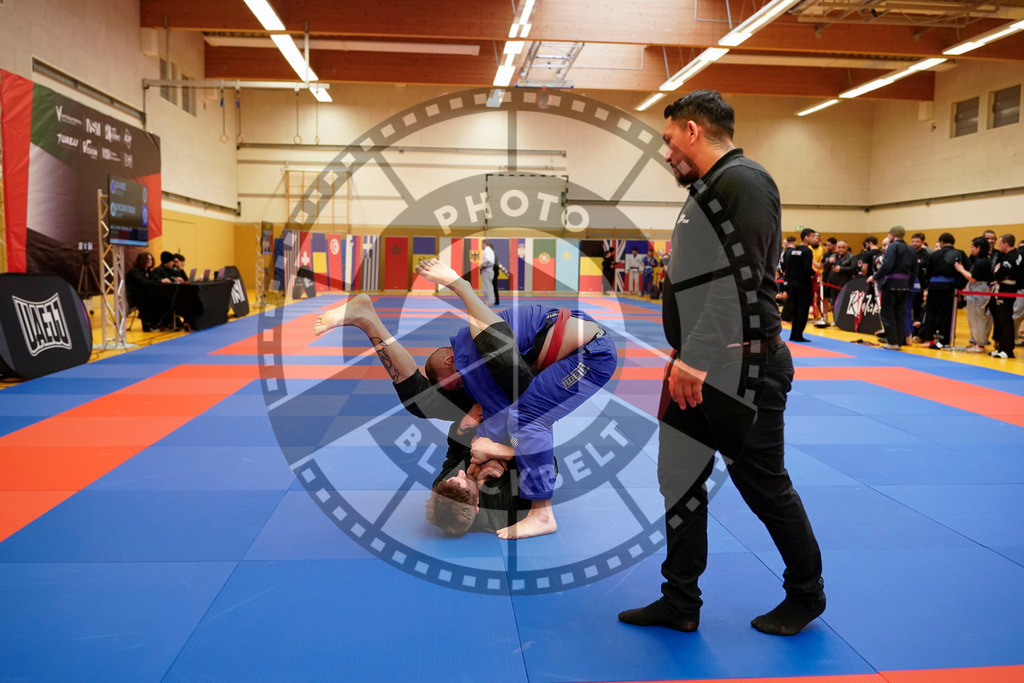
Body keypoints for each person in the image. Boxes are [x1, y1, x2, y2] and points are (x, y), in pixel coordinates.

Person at [618, 90, 824, 636]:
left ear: (692, 130)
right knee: (678, 478)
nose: (666, 154)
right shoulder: (706, 190)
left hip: (740, 368)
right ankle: (680, 599)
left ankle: (807, 594)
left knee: (763, 485)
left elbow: (741, 280)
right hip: (697, 366)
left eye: (668, 141)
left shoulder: (745, 182)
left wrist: (698, 357)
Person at [410, 258, 617, 538]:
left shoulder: (469, 360)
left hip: (591, 354)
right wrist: (493, 452)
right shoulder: (467, 351)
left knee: (528, 418)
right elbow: (501, 421)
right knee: (524, 416)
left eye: (449, 385)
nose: (455, 389)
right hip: (579, 340)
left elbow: (504, 417)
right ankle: (460, 286)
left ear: (449, 360)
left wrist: (485, 449)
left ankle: (542, 516)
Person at [310, 293, 535, 535]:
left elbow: (454, 447)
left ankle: (368, 320)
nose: (460, 472)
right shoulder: (505, 508)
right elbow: (545, 458)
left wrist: (464, 424)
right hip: (520, 406)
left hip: (479, 415)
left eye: (452, 478)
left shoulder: (445, 487)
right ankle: (465, 292)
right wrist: (505, 453)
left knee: (418, 402)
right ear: (478, 504)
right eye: (462, 479)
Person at [867, 226, 917, 349]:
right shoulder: (911, 249)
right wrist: (908, 284)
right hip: (904, 284)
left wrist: (875, 276)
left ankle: (892, 342)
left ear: (892, 235)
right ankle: (899, 341)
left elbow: (888, 264)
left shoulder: (893, 246)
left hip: (891, 283)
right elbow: (915, 270)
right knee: (899, 313)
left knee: (888, 312)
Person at [917, 233, 966, 349]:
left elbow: (928, 273)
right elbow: (966, 271)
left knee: (931, 313)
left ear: (942, 242)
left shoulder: (935, 254)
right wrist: (958, 287)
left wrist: (926, 287)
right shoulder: (960, 254)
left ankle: (928, 340)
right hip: (950, 287)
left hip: (934, 286)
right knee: (946, 313)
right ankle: (944, 341)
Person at [954, 236, 994, 353]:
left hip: (979, 292)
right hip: (975, 292)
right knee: (973, 319)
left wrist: (961, 269)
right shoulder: (978, 260)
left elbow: (972, 278)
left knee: (978, 318)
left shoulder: (983, 261)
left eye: (972, 247)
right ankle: (976, 342)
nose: (970, 249)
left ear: (979, 247)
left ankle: (980, 344)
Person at [990, 233, 1022, 359]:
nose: (999, 245)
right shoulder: (1013, 255)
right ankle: (1001, 348)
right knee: (1000, 320)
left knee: (1005, 320)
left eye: (1000, 243)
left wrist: (997, 271)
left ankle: (1008, 350)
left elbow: (999, 275)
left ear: (1006, 244)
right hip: (1006, 288)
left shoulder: (1011, 258)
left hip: (1007, 290)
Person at [782, 228, 816, 342]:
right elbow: (807, 269)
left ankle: (793, 334)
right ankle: (799, 335)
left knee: (795, 309)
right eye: (812, 236)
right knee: (803, 309)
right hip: (803, 284)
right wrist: (815, 273)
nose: (814, 239)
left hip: (792, 283)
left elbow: (788, 268)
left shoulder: (793, 251)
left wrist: (787, 284)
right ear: (806, 237)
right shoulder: (807, 251)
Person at [125, 252, 164, 332]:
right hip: (135, 297)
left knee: (160, 297)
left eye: (151, 259)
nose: (150, 261)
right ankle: (149, 324)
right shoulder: (135, 272)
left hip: (145, 295)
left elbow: (156, 280)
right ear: (142, 260)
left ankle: (159, 322)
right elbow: (143, 283)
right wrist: (160, 281)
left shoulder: (149, 272)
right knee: (150, 299)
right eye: (148, 259)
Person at [479, 240, 496, 306]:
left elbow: (488, 260)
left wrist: (483, 266)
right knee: (489, 287)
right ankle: (491, 301)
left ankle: (489, 302)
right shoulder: (490, 250)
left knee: (486, 287)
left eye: (482, 244)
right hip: (489, 270)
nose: (481, 246)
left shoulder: (487, 250)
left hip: (487, 270)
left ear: (484, 244)